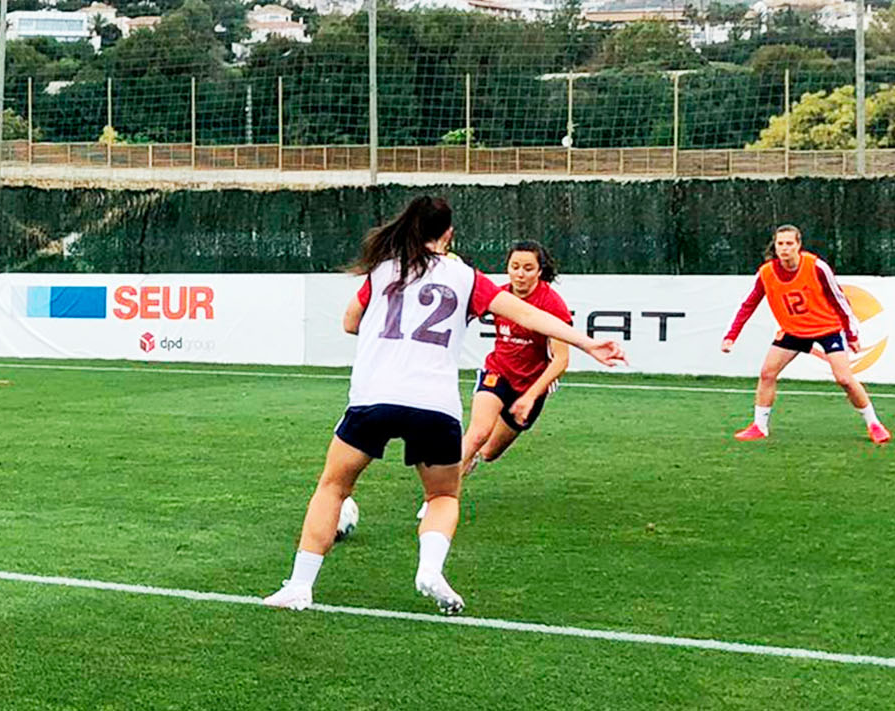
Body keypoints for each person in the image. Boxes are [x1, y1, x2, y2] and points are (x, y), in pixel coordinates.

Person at [261, 196, 625, 616]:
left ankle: (300, 586)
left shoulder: (383, 269)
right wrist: (587, 342)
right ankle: (430, 569)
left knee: (333, 487)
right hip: (433, 403)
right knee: (442, 496)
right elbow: (525, 314)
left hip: (373, 396)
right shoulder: (465, 276)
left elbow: (349, 323)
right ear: (448, 233)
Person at [416, 241, 573, 522]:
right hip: (497, 372)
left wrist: (530, 397)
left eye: (528, 268)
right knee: (476, 434)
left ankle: (472, 459)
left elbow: (561, 360)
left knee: (489, 452)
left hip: (531, 386)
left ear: (540, 271)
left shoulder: (552, 304)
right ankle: (437, 500)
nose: (520, 274)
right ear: (507, 268)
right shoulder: (499, 296)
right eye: (515, 267)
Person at [722, 225, 889, 444]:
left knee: (844, 379)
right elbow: (749, 304)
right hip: (793, 331)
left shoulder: (816, 267)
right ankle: (759, 426)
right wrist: (731, 335)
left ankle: (874, 424)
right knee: (767, 374)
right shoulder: (767, 273)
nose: (784, 248)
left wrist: (851, 334)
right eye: (780, 243)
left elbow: (840, 300)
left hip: (828, 329)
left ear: (798, 245)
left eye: (789, 243)